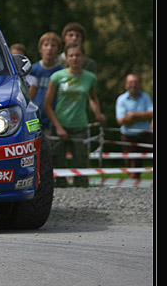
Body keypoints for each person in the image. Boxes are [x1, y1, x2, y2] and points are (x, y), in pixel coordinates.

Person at [43, 42, 106, 187]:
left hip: (80, 125)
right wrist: (58, 127)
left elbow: (93, 97)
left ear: (83, 57)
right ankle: (60, 192)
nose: (74, 58)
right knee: (58, 162)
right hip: (59, 125)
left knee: (82, 162)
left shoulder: (90, 78)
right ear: (66, 58)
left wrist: (98, 113)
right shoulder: (57, 76)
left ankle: (82, 191)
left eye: (78, 55)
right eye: (71, 55)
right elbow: (47, 105)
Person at [115, 73, 154, 179]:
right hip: (129, 137)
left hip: (146, 136)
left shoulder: (146, 97)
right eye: (130, 82)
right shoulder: (121, 99)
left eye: (136, 82)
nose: (133, 85)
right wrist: (143, 116)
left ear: (140, 84)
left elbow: (152, 114)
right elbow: (121, 121)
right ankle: (134, 190)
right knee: (133, 169)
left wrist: (133, 115)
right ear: (126, 85)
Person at [28, 32, 63, 128]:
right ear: (40, 49)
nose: (49, 48)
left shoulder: (62, 73)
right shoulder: (32, 71)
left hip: (54, 120)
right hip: (33, 118)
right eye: (46, 45)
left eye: (53, 45)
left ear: (58, 50)